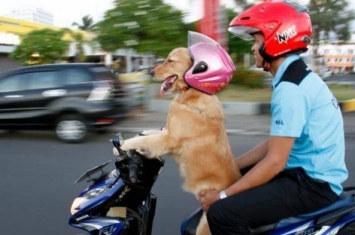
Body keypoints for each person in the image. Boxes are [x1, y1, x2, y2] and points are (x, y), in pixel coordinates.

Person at [198, 1, 348, 234]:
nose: (253, 48)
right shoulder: (297, 77)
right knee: (231, 177)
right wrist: (233, 166)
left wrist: (222, 196)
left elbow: (275, 161)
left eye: (256, 41)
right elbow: (279, 141)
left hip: (312, 186)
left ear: (277, 41)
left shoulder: (290, 89)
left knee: (222, 213)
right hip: (307, 175)